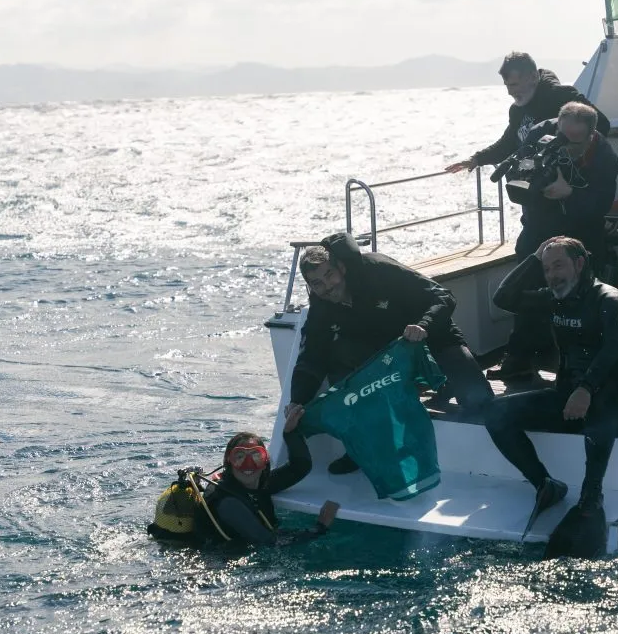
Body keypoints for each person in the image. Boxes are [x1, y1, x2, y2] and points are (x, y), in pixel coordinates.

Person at [288, 232, 493, 474]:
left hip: (431, 337)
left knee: (479, 400)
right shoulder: (321, 307)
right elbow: (311, 357)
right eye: (317, 283)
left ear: (341, 267)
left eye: (329, 275)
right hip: (388, 353)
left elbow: (443, 296)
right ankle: (360, 447)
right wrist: (297, 401)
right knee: (339, 363)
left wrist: (424, 325)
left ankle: (445, 384)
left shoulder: (378, 270)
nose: (327, 286)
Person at [484, 236, 618, 521]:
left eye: (558, 266)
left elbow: (613, 348)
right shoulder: (552, 299)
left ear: (579, 264)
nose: (552, 276)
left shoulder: (609, 299)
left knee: (601, 413)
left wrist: (586, 388)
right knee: (493, 411)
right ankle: (545, 484)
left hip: (610, 400)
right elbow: (503, 298)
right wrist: (534, 258)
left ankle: (592, 494)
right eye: (547, 269)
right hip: (566, 398)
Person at [483, 101, 618, 382]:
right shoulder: (538, 135)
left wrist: (568, 193)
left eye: (574, 141)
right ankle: (519, 359)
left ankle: (585, 367)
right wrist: (536, 185)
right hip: (539, 226)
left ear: (591, 134)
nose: (566, 144)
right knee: (525, 290)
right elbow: (515, 179)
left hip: (583, 232)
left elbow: (602, 204)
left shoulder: (604, 155)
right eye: (562, 135)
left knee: (583, 298)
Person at [147, 406, 338, 546]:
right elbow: (269, 541)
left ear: (265, 462)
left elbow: (300, 467)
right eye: (239, 456)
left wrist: (290, 432)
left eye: (256, 455)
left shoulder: (258, 482)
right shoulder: (229, 502)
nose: (248, 465)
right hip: (211, 567)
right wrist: (320, 528)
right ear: (228, 463)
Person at [445, 52, 611, 175]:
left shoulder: (562, 96)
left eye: (515, 85)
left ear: (532, 77)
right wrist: (477, 159)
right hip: (534, 187)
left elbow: (602, 124)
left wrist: (570, 150)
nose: (510, 92)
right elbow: (508, 143)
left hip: (568, 187)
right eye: (507, 86)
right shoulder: (517, 109)